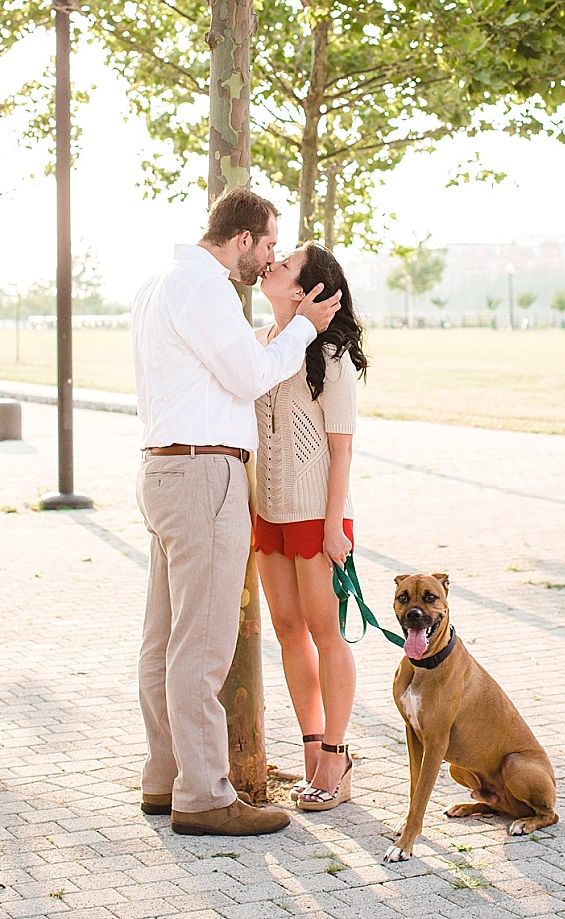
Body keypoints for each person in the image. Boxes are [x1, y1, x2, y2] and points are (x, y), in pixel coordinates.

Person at [131, 188, 341, 838]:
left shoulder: (160, 284)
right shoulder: (206, 289)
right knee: (203, 643)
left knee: (165, 638)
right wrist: (307, 326)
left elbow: (224, 369)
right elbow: (251, 376)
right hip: (204, 475)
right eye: (270, 243)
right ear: (243, 238)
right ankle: (204, 795)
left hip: (165, 468)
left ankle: (165, 777)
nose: (272, 255)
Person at [253, 242, 367, 812]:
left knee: (327, 634)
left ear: (306, 291)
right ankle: (311, 751)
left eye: (287, 263)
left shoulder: (332, 356)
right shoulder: (262, 345)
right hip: (266, 515)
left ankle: (338, 756)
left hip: (316, 517)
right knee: (289, 633)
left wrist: (333, 528)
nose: (272, 264)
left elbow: (342, 451)